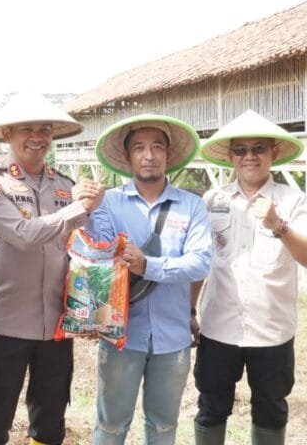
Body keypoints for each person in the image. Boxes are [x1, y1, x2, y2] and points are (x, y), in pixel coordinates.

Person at [0, 94, 104, 445]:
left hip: (55, 326)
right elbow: (23, 235)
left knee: (49, 420)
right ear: (9, 135)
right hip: (5, 324)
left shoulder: (65, 185)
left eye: (44, 129)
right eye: (27, 129)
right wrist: (77, 208)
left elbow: (83, 249)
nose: (37, 137)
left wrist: (92, 311)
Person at [193, 109, 307, 445]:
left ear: (274, 152)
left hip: (272, 331)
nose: (249, 157)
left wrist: (278, 226)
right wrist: (188, 310)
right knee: (210, 407)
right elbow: (201, 262)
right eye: (240, 150)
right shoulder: (213, 200)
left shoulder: (293, 201)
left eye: (258, 149)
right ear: (230, 156)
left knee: (270, 409)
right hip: (218, 327)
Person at [85, 114, 213, 445]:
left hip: (172, 338)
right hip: (120, 337)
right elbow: (96, 258)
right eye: (139, 147)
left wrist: (147, 266)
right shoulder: (108, 203)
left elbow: (200, 263)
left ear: (168, 154)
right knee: (111, 425)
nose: (149, 155)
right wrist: (82, 208)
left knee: (163, 426)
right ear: (127, 156)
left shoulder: (192, 206)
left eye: (157, 146)